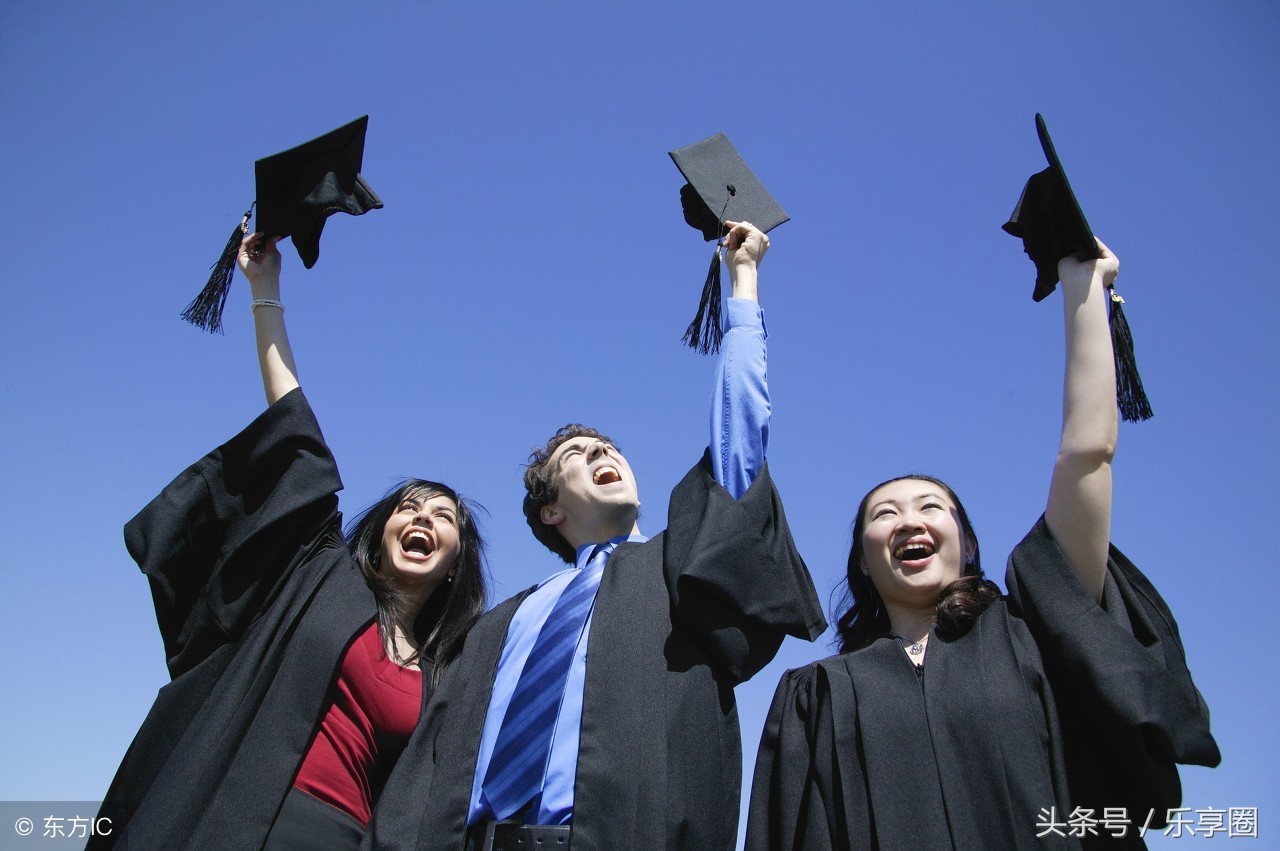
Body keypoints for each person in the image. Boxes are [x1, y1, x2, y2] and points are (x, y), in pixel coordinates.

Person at [745, 240, 1221, 850]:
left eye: (930, 508)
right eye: (884, 515)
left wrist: (1083, 290)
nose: (908, 522)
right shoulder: (818, 696)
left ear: (966, 543)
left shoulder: (1037, 631)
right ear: (863, 562)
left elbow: (1087, 456)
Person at [368, 221, 827, 851]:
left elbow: (738, 448)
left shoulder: (676, 570)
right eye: (579, 455)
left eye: (607, 446)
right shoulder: (503, 623)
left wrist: (742, 284)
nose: (602, 452)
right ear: (551, 510)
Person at [92, 234, 488, 850]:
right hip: (237, 808)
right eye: (407, 507)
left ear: (456, 560)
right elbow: (296, 433)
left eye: (444, 517)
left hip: (344, 837)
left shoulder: (448, 670)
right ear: (380, 531)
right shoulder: (322, 578)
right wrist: (265, 292)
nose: (422, 518)